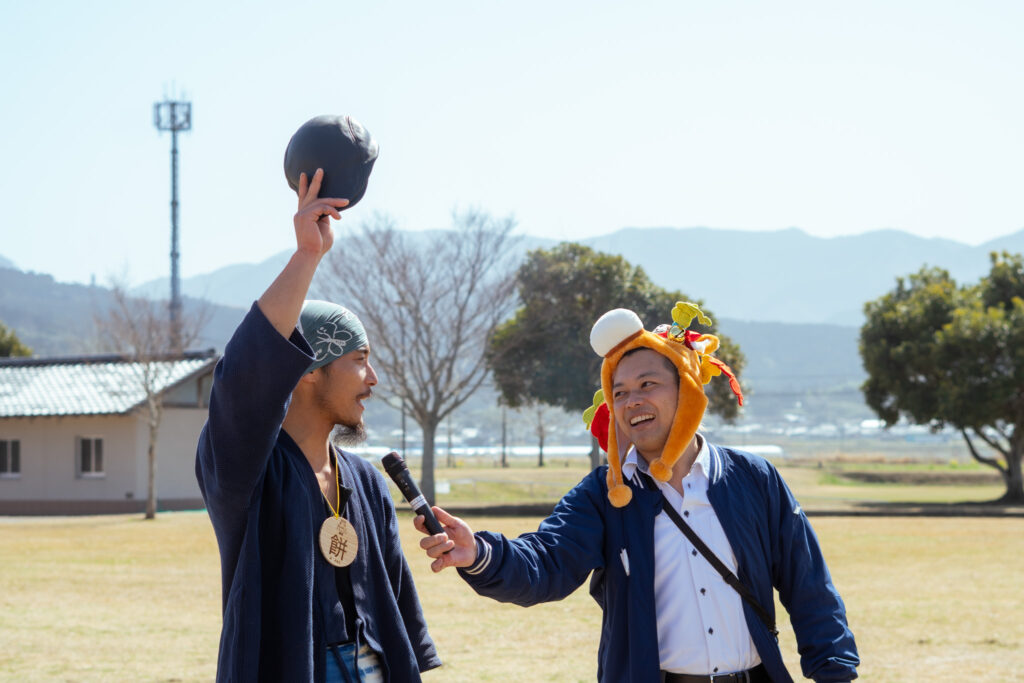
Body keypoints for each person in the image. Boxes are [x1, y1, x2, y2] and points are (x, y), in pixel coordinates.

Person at [416, 303, 858, 682]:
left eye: (648, 385)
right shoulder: (604, 496)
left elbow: (810, 587)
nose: (632, 402)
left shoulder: (753, 478)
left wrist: (834, 673)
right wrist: (480, 553)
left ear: (686, 387)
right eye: (620, 392)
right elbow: (546, 562)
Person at [196, 168, 441, 682]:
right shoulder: (245, 473)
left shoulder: (367, 481)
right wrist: (308, 254)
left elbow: (396, 603)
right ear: (307, 369)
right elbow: (242, 379)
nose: (373, 378)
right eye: (360, 360)